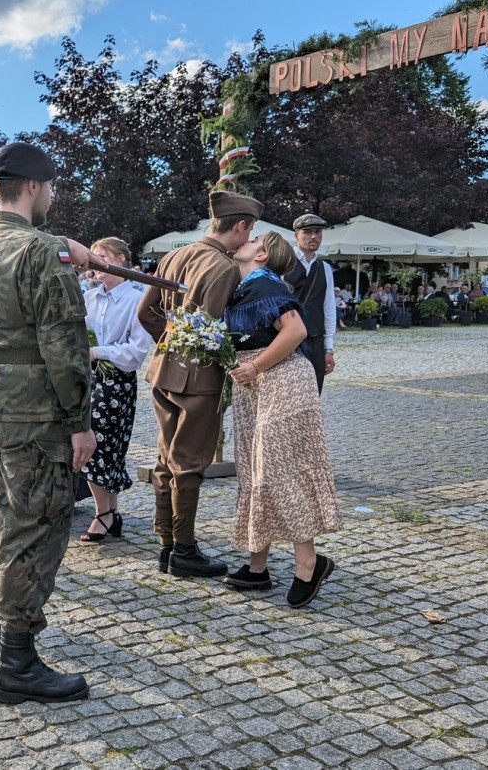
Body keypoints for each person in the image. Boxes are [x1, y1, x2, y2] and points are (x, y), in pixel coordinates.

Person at [0, 141, 97, 703]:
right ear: (34, 187)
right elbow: (65, 345)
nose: (52, 195)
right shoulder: (41, 252)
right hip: (33, 412)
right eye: (51, 186)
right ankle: (18, 662)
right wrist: (80, 420)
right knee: (33, 528)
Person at [137, 190, 261, 579]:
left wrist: (171, 343)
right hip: (200, 377)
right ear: (239, 225)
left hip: (163, 369)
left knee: (166, 457)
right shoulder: (223, 268)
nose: (249, 238)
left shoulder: (174, 256)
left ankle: (167, 545)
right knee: (189, 463)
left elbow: (146, 312)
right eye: (250, 229)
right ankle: (184, 552)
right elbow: (215, 327)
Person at [222, 232, 341, 608]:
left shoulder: (266, 284)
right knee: (254, 471)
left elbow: (296, 331)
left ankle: (309, 564)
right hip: (255, 383)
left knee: (278, 471)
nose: (243, 239)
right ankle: (258, 566)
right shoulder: (247, 286)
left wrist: (254, 366)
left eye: (253, 238)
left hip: (282, 380)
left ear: (261, 254)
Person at [78, 237, 152, 542]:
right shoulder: (90, 297)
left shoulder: (136, 299)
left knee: (107, 446)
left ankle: (105, 515)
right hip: (88, 378)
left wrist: (99, 352)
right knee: (93, 444)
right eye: (92, 256)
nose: (94, 261)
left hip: (116, 382)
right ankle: (107, 513)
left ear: (120, 260)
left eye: (102, 256)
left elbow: (136, 352)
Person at [287, 214, 336, 393]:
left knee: (313, 392)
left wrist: (328, 348)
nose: (313, 236)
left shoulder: (325, 269)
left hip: (315, 339)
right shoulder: (284, 263)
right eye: (307, 232)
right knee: (289, 393)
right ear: (296, 235)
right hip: (287, 339)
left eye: (317, 232)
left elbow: (329, 309)